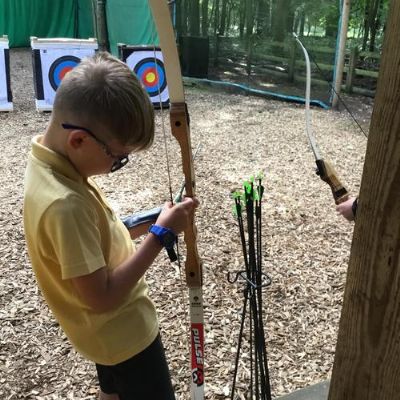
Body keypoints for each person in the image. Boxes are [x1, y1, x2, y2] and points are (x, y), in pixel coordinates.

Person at [23, 52, 199, 400]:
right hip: (124, 337)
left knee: (113, 392)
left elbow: (94, 237)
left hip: (103, 338)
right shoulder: (65, 204)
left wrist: (152, 220)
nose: (118, 164)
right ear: (78, 140)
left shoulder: (50, 165)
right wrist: (160, 235)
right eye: (118, 158)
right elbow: (102, 298)